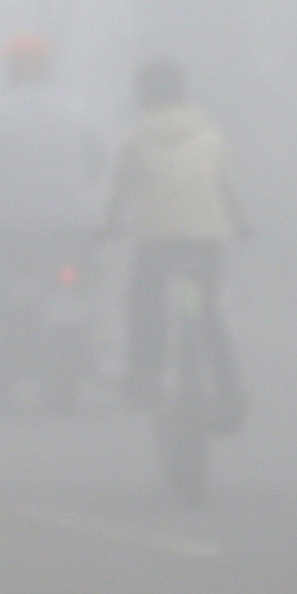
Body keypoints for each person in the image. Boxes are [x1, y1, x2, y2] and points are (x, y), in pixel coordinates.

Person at [0, 34, 109, 350]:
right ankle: (88, 336)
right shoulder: (77, 111)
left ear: (10, 69)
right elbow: (97, 162)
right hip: (74, 225)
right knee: (87, 278)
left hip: (12, 225)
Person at [111, 59, 248, 419]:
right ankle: (228, 382)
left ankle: (145, 374)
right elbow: (225, 189)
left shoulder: (135, 137)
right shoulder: (211, 135)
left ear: (143, 97)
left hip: (158, 242)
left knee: (144, 302)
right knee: (203, 309)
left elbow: (121, 193)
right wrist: (240, 224)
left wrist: (108, 226)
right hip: (204, 241)